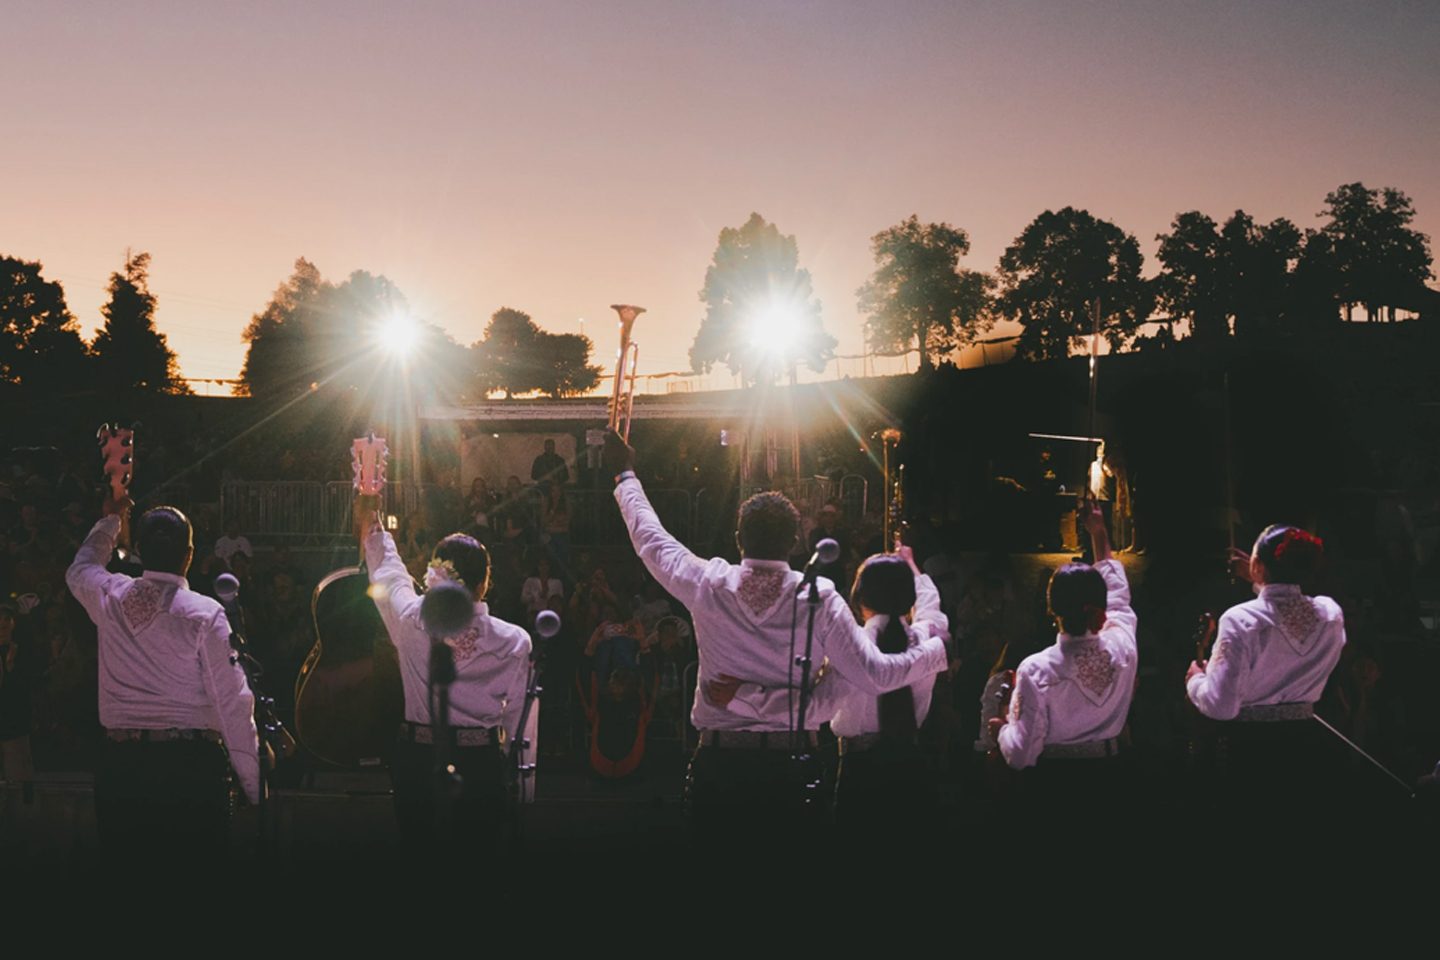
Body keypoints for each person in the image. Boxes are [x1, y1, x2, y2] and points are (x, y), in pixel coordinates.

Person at [602, 430, 947, 848]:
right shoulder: (819, 598)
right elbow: (874, 675)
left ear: (738, 539)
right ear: (796, 540)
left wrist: (625, 474)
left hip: (720, 764)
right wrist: (935, 651)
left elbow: (649, 539)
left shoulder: (707, 583)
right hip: (793, 765)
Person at [65, 499, 260, 860]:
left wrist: (111, 519)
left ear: (138, 550)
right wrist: (251, 784)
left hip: (122, 768)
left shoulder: (110, 595)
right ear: (190, 554)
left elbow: (81, 568)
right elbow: (233, 700)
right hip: (190, 769)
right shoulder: (205, 613)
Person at [710, 546, 948, 836]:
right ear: (908, 598)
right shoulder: (928, 636)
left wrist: (743, 696)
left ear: (858, 598)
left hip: (861, 773)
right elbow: (930, 604)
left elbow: (812, 709)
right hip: (914, 766)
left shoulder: (852, 650)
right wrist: (911, 564)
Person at [357, 494, 531, 855]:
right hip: (481, 762)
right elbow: (518, 722)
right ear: (484, 582)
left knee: (422, 858)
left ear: (434, 574)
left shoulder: (408, 618)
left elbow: (388, 570)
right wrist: (523, 788)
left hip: (418, 758)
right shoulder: (514, 641)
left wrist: (370, 520)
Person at [1185, 525, 1346, 828]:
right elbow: (1285, 605)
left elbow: (1221, 706)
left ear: (1257, 566)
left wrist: (1195, 681)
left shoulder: (1240, 619)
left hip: (1250, 751)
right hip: (1307, 747)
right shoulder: (1330, 614)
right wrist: (1261, 579)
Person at [990, 500, 1137, 814]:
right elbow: (1118, 595)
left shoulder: (1037, 669)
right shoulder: (1123, 644)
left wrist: (1002, 728)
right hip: (1113, 781)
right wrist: (1099, 532)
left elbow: (1022, 754)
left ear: (1050, 609)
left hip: (1053, 788)